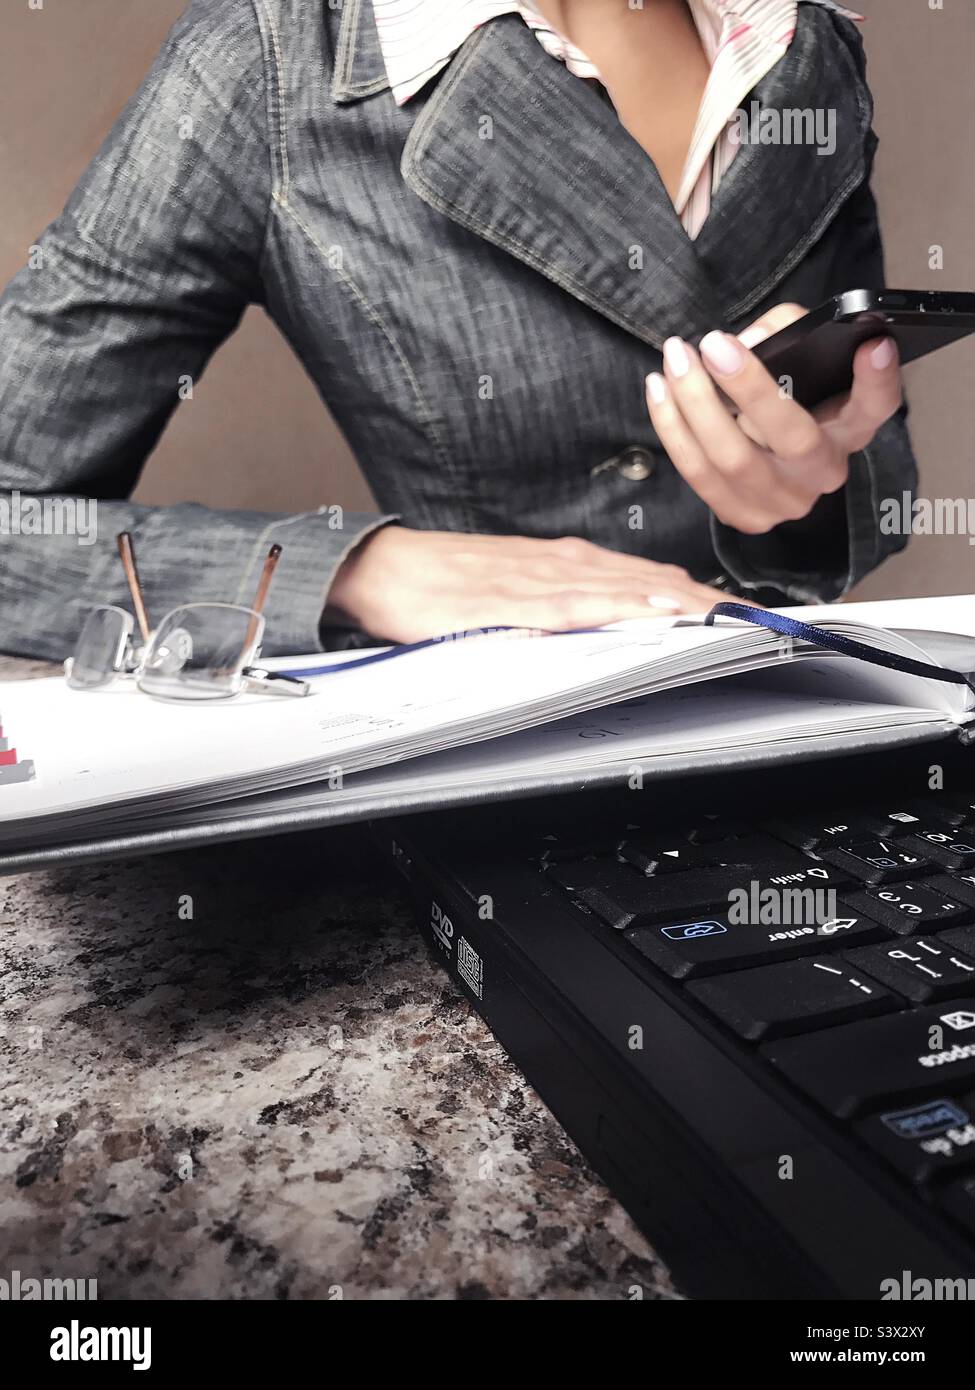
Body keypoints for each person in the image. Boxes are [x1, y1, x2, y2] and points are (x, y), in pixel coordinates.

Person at [0, 0, 913, 661]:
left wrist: (797, 501)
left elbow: (876, 488)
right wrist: (360, 569)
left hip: (789, 721)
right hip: (488, 775)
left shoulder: (806, 40)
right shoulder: (267, 60)